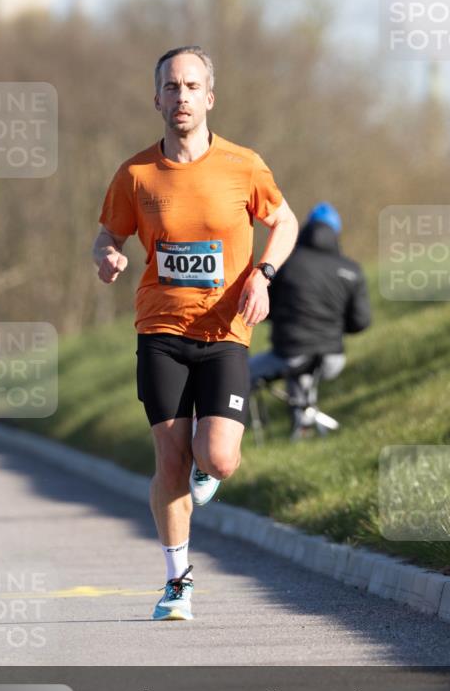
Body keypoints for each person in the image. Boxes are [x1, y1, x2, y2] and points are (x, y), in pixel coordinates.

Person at [92, 46, 298, 621]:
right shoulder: (136, 174)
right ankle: (177, 582)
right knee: (170, 459)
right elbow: (107, 235)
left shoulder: (243, 165)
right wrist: (107, 256)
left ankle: (209, 468)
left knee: (220, 458)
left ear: (209, 97)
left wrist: (263, 274)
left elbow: (284, 221)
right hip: (160, 329)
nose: (180, 96)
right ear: (156, 99)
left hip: (226, 330)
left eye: (190, 87)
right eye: (171, 87)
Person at [249, 202, 371, 434]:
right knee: (302, 370)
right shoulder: (351, 270)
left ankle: (300, 429)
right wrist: (333, 326)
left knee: (242, 374)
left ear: (307, 228)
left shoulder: (285, 263)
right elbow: (361, 322)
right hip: (333, 358)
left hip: (289, 355)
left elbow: (265, 309)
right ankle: (308, 426)